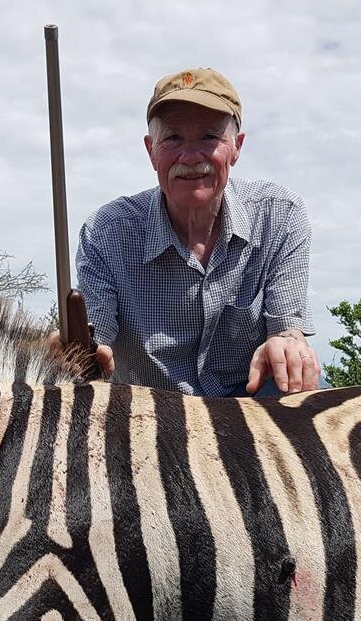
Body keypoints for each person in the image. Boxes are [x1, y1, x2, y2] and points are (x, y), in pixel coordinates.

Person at [67, 67, 320, 397]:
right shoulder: (104, 233)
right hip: (153, 424)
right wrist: (77, 352)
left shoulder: (281, 215)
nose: (190, 156)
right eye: (172, 138)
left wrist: (289, 345)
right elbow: (93, 336)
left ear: (237, 146)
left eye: (209, 137)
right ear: (150, 150)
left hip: (256, 420)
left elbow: (288, 326)